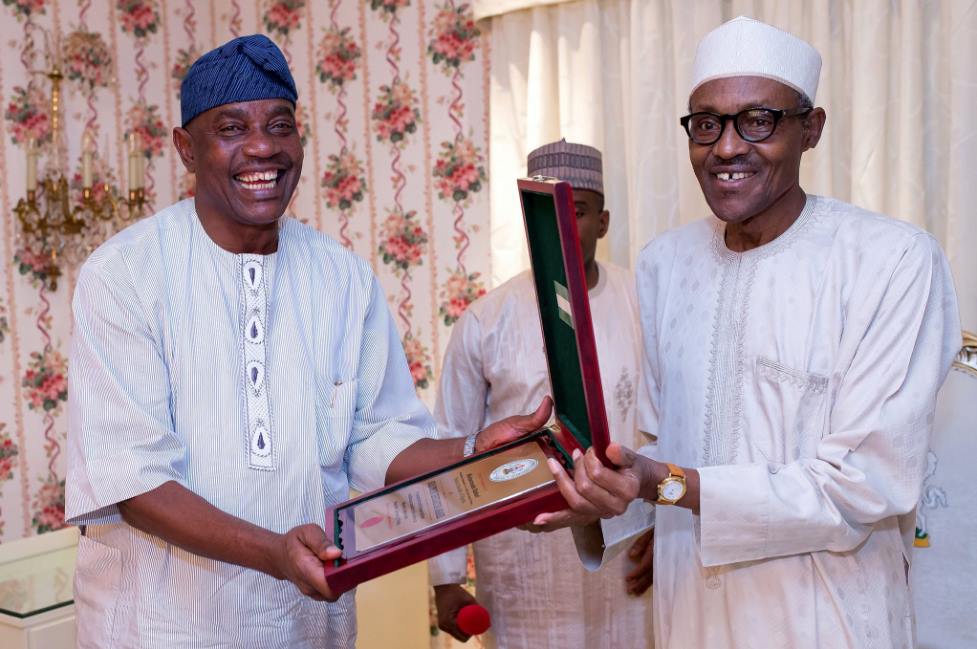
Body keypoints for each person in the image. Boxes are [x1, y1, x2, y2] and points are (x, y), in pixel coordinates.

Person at [65, 34, 549, 649]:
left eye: (280, 125)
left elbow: (374, 436)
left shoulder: (343, 278)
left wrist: (473, 450)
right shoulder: (124, 276)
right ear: (186, 149)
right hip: (162, 627)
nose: (263, 146)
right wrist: (273, 552)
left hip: (306, 627)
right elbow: (130, 481)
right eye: (232, 128)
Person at [545, 16, 961, 649]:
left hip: (825, 614)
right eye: (707, 123)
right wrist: (591, 494)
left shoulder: (891, 260)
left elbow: (865, 483)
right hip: (689, 611)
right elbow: (663, 441)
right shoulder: (665, 263)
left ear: (811, 128)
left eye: (759, 120)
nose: (728, 147)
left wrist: (666, 483)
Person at [429, 140, 655, 648]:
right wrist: (446, 580)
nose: (563, 228)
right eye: (548, 215)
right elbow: (450, 448)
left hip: (628, 552)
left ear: (604, 221)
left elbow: (674, 430)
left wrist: (667, 533)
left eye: (576, 211)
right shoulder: (487, 321)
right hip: (523, 565)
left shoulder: (645, 305)